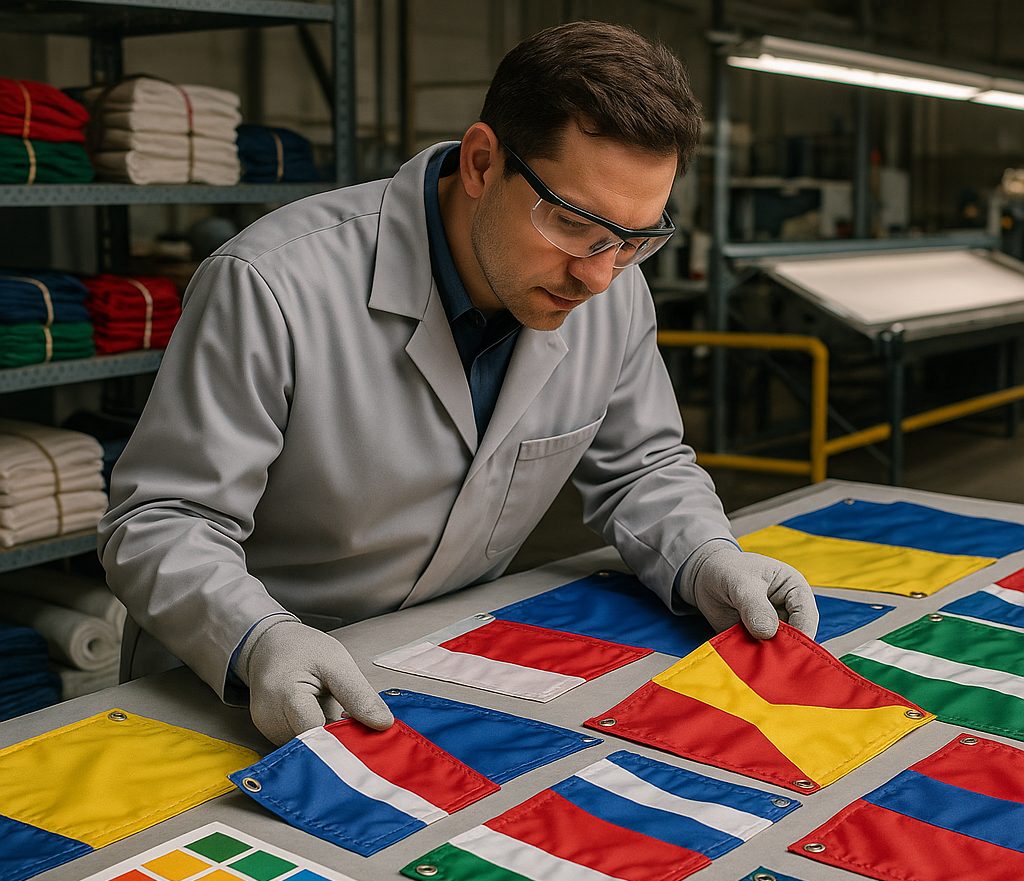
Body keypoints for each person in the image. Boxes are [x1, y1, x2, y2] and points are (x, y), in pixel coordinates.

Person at [99, 21, 818, 746]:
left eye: (634, 240)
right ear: (481, 163)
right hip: (237, 682)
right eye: (574, 225)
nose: (598, 275)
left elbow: (643, 468)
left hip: (438, 670)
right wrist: (259, 639)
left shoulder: (613, 292)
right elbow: (162, 520)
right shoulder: (273, 284)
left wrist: (707, 557)